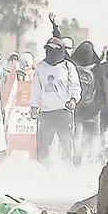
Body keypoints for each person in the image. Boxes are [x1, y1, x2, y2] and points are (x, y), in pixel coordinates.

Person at [30, 37, 81, 167]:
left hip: (63, 111)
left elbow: (75, 86)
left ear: (61, 51)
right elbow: (36, 88)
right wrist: (34, 106)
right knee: (43, 145)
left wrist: (73, 100)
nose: (52, 52)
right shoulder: (41, 67)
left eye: (55, 50)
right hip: (46, 112)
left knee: (66, 144)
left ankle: (69, 169)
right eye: (49, 49)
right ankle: (44, 169)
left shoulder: (68, 66)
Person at [71, 41, 106, 164]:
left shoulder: (73, 66)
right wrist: (100, 105)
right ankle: (92, 158)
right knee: (95, 134)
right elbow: (103, 88)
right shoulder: (97, 67)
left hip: (77, 106)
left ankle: (77, 156)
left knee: (77, 134)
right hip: (93, 107)